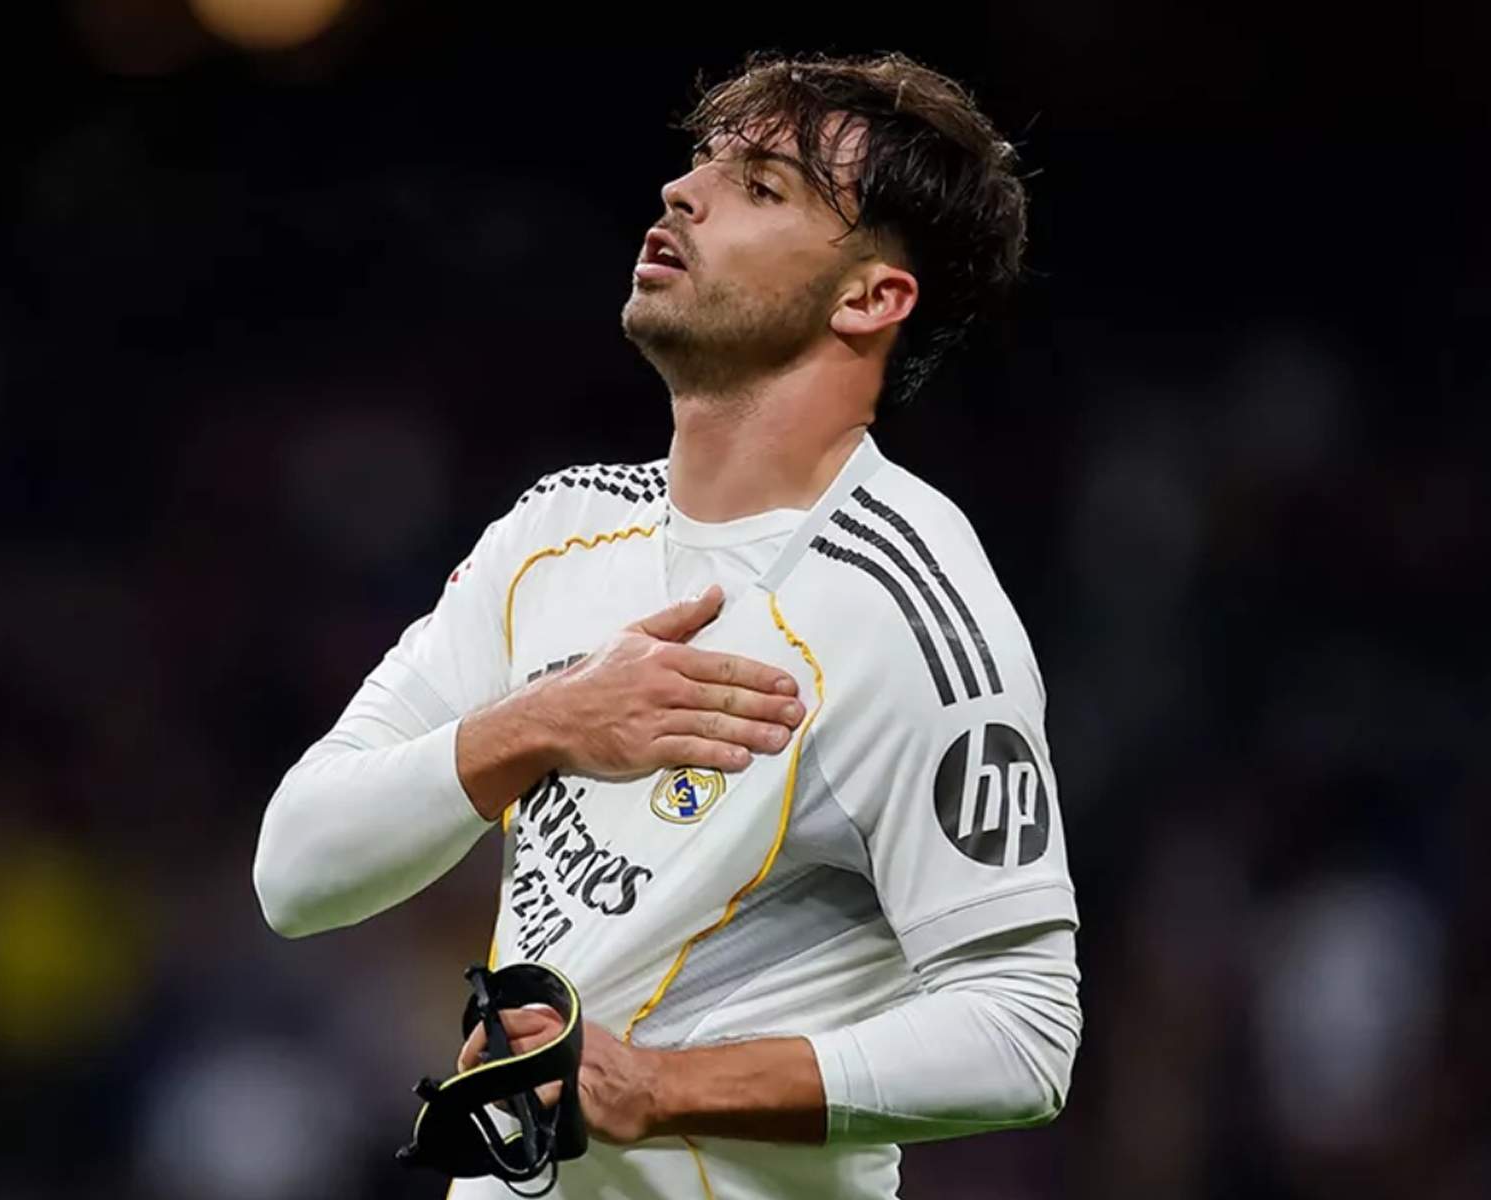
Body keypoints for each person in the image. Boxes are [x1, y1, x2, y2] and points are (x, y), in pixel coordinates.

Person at [253, 50, 1082, 1199]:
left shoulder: (906, 602)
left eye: (760, 185)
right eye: (701, 162)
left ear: (869, 297)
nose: (679, 193)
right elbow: (296, 873)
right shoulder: (555, 532)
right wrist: (539, 724)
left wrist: (656, 1087)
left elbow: (1022, 1035)